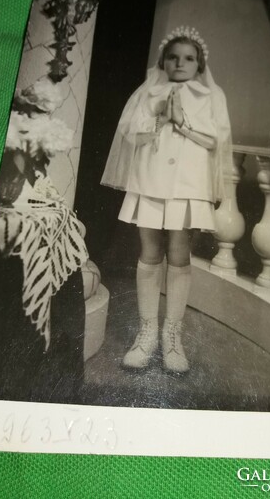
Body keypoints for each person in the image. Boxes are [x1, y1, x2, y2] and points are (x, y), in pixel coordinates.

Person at [101, 26, 232, 373]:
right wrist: (160, 116)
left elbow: (215, 140)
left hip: (188, 185)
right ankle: (147, 333)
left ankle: (172, 336)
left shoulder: (210, 97)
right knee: (149, 251)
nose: (180, 63)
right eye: (173, 57)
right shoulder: (150, 92)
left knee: (178, 251)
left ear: (200, 63)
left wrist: (182, 122)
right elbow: (132, 134)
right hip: (150, 180)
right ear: (163, 60)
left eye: (189, 58)